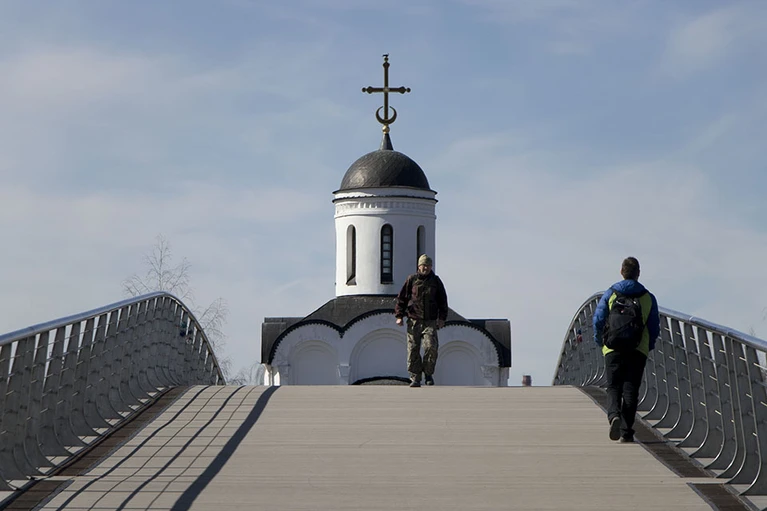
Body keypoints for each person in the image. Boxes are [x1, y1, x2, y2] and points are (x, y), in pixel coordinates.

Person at [593, 257, 660, 443]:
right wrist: (649, 345)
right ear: (638, 273)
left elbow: (598, 320)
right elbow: (654, 326)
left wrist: (600, 342)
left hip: (612, 347)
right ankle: (626, 431)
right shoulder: (647, 297)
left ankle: (613, 415)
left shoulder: (611, 293)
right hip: (638, 348)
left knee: (613, 386)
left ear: (622, 272)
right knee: (631, 389)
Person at [395, 254, 448, 387]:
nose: (426, 268)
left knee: (431, 347)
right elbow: (402, 298)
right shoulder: (412, 280)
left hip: (430, 321)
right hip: (414, 320)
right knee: (413, 349)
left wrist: (442, 318)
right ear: (419, 266)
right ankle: (415, 377)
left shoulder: (436, 281)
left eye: (428, 265)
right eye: (423, 265)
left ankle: (428, 373)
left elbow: (442, 300)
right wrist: (399, 316)